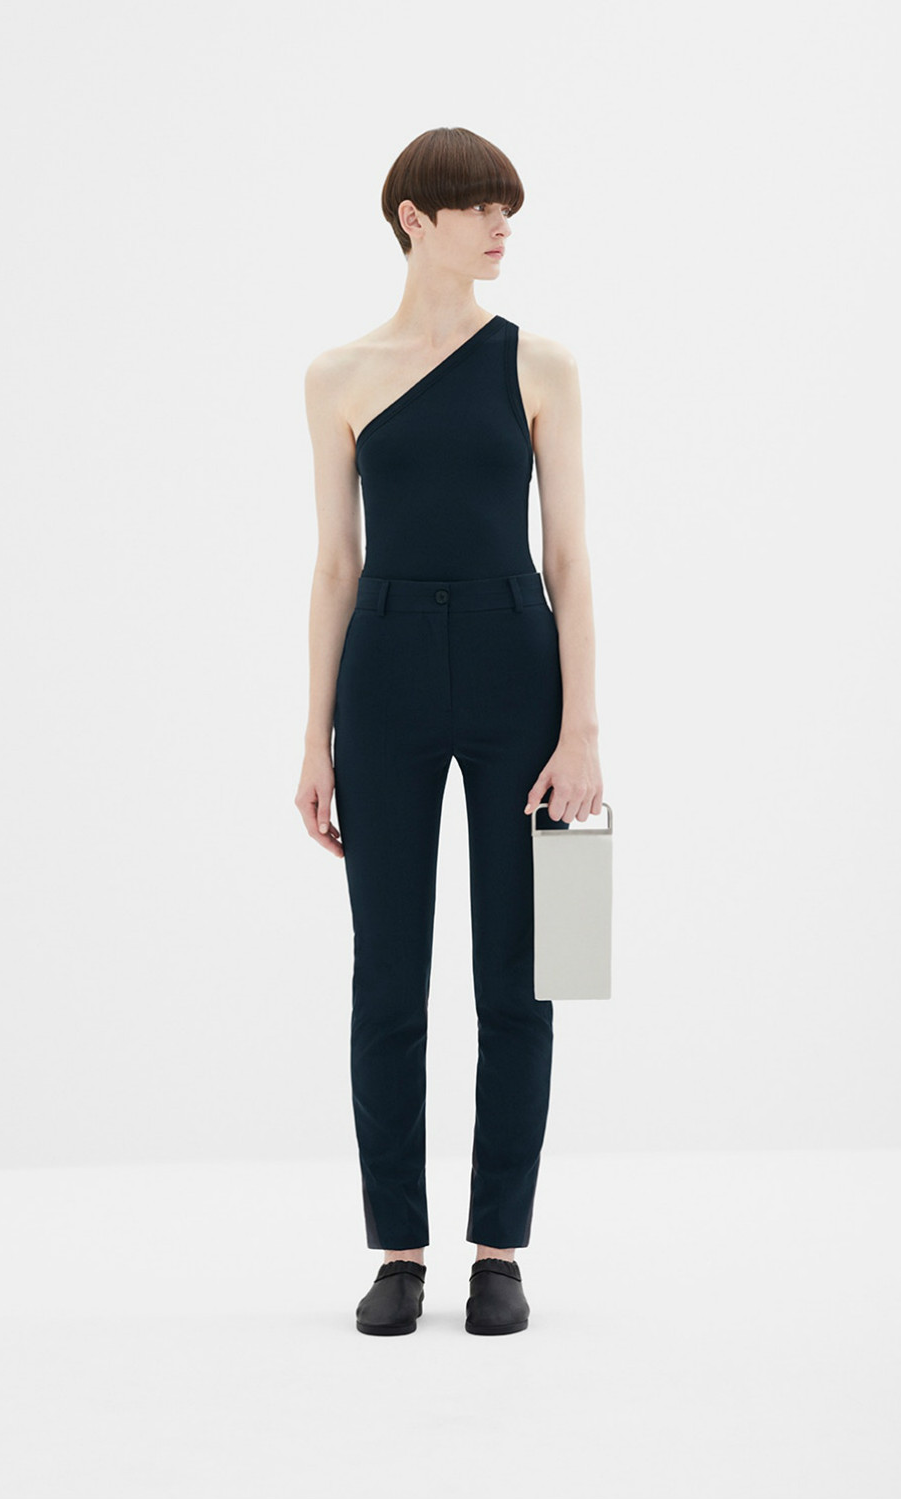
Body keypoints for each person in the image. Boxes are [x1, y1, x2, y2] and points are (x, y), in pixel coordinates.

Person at [295, 126, 603, 1335]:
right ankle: (397, 1250)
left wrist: (582, 729)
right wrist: (313, 737)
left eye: (506, 208)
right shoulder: (336, 375)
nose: (500, 226)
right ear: (413, 220)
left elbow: (569, 558)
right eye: (479, 207)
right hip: (382, 678)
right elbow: (334, 564)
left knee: (525, 971)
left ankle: (499, 1250)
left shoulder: (542, 363)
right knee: (387, 972)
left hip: (515, 660)